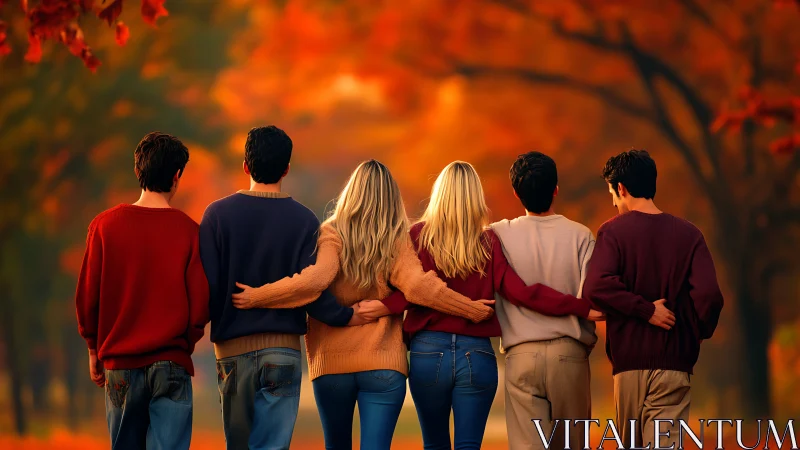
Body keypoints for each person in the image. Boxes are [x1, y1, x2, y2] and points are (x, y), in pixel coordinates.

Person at [232, 159, 496, 450]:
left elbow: (315, 280)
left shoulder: (330, 233)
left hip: (331, 366)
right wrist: (472, 309)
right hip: (383, 365)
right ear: (392, 197)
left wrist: (258, 295)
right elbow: (419, 287)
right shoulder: (397, 239)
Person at [357, 161, 602, 450]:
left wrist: (385, 306)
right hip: (476, 354)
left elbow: (408, 292)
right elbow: (522, 293)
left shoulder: (415, 237)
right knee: (469, 445)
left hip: (427, 353)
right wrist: (579, 306)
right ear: (475, 196)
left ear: (439, 193)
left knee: (434, 444)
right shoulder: (488, 241)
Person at [199, 126, 369, 450]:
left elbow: (207, 286)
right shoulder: (304, 220)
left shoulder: (217, 216)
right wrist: (346, 316)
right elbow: (311, 290)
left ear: (245, 166)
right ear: (287, 168)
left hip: (232, 351)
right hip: (284, 353)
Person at [74, 132, 209, 450]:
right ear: (177, 176)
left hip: (120, 364)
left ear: (139, 171)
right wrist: (182, 345)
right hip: (171, 362)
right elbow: (201, 306)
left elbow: (87, 296)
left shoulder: (104, 227)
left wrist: (94, 348)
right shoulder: (191, 232)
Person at [582, 149, 724, 448]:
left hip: (629, 366)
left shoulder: (612, 232)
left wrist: (642, 310)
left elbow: (596, 286)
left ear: (621, 188)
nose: (612, 202)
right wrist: (695, 333)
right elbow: (709, 295)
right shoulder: (689, 234)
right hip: (675, 363)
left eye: (612, 192)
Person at [490, 152, 601, 450]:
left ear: (516, 193)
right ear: (556, 189)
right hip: (570, 355)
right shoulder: (582, 236)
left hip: (521, 356)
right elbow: (592, 301)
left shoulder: (497, 234)